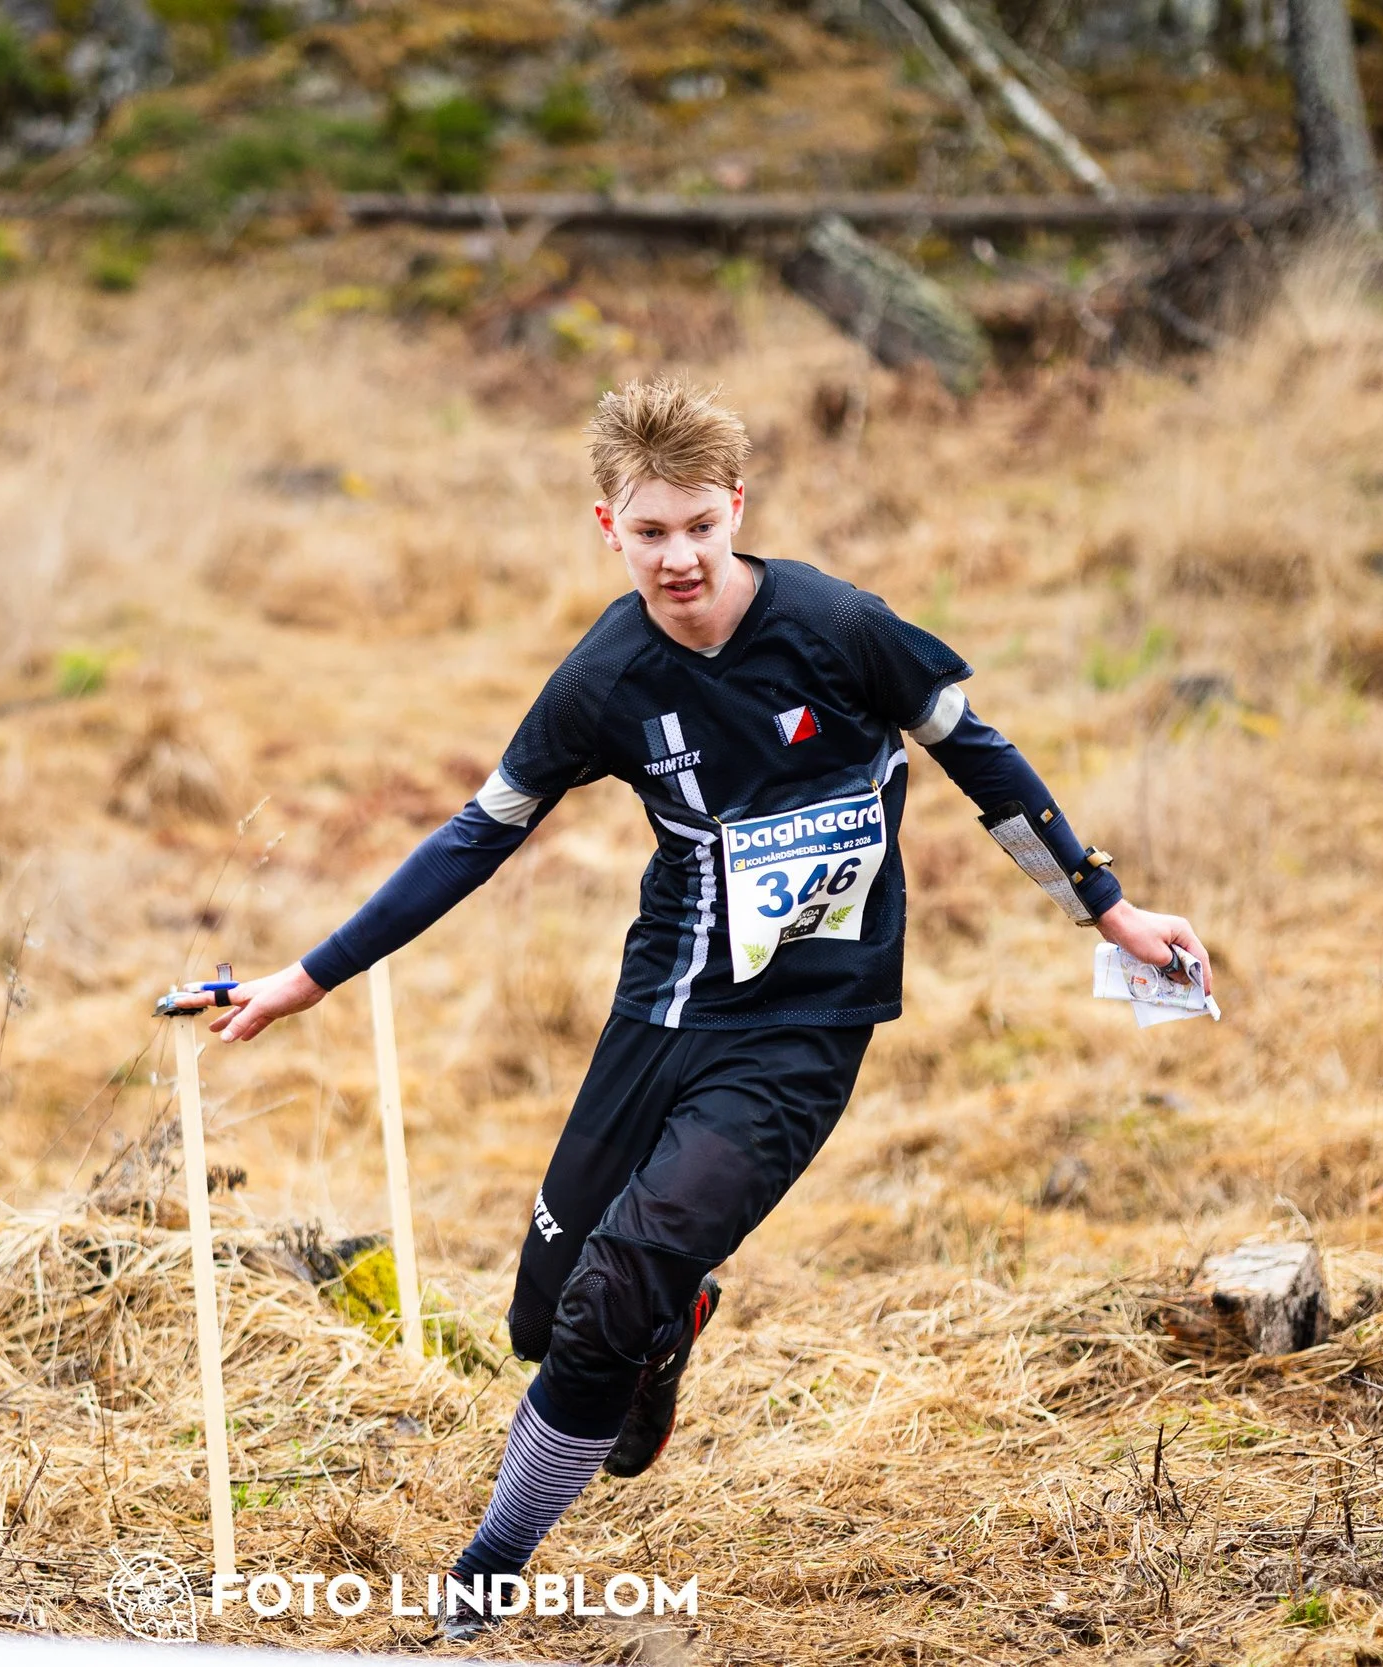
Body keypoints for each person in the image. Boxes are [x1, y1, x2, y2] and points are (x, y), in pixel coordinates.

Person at [207, 377, 1211, 1641]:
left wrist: (1106, 907)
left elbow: (983, 758)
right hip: (663, 1008)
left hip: (802, 1028)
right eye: (648, 533)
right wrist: (305, 979)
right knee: (547, 1316)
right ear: (605, 528)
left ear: (735, 508)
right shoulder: (603, 679)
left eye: (698, 526)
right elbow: (477, 836)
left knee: (608, 1292)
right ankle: (665, 1326)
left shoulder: (841, 630)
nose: (678, 558)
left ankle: (488, 1569)